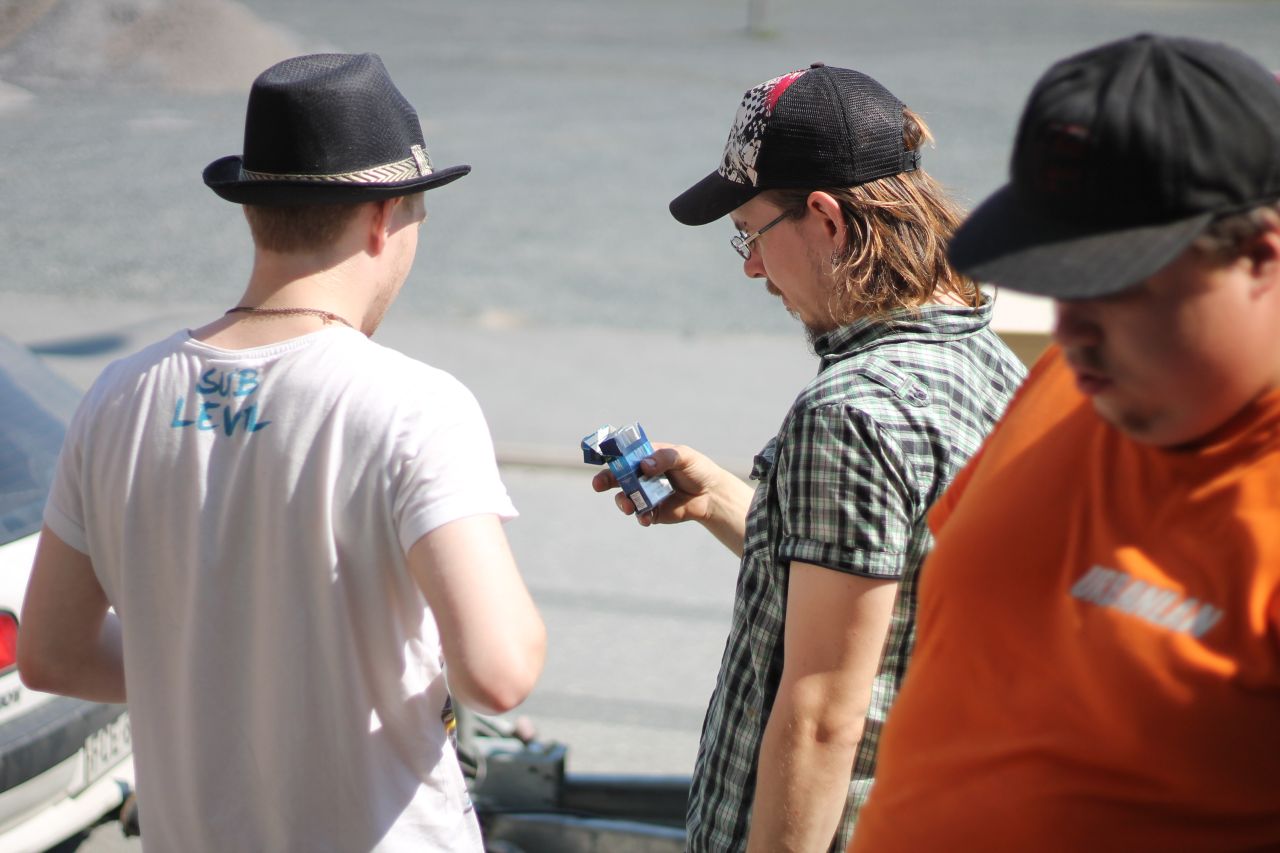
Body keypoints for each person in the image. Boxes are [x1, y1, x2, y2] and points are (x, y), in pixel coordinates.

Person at [17, 53, 546, 852]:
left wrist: (221, 667)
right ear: (384, 217)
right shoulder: (414, 405)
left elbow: (53, 655)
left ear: (255, 213)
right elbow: (499, 672)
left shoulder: (118, 394)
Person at [850, 34, 1280, 851]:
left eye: (1115, 282)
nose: (1069, 327)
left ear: (1261, 256)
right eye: (1056, 279)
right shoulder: (1082, 378)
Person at [592, 63, 1026, 851]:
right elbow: (899, 586)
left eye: (752, 233)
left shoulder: (851, 414)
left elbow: (824, 714)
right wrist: (730, 503)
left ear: (826, 219)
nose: (752, 267)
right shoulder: (987, 358)